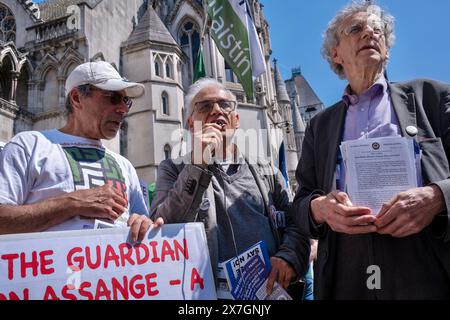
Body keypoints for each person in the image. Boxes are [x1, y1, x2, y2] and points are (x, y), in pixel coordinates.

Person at [292, 1, 450, 299]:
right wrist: (321, 207)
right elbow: (300, 203)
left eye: (377, 30)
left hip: (424, 272)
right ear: (335, 54)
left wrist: (437, 196)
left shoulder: (433, 98)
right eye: (356, 29)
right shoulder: (319, 126)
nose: (370, 34)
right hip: (347, 279)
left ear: (387, 50)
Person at [150, 78, 310, 299]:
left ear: (235, 120)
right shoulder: (173, 170)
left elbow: (297, 222)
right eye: (205, 106)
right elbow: (163, 227)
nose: (216, 110)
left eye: (224, 105)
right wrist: (198, 163)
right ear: (190, 123)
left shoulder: (266, 170)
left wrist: (289, 256)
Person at [0, 61, 162, 241]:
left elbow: (142, 224)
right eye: (113, 97)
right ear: (77, 98)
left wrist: (142, 223)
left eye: (126, 101)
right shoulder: (29, 145)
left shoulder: (125, 165)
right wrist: (72, 203)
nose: (123, 109)